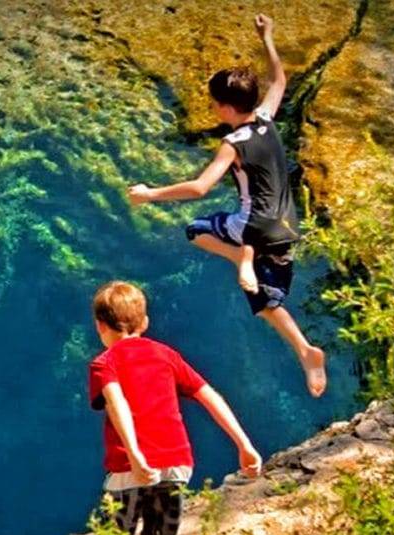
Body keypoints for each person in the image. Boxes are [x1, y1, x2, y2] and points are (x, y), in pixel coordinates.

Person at [127, 14, 326, 398]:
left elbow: (201, 187)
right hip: (287, 227)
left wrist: (150, 193)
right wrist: (267, 37)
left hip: (252, 227)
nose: (215, 109)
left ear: (226, 107)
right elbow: (280, 80)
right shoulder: (266, 119)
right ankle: (305, 350)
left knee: (196, 231)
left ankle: (241, 259)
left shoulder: (232, 144)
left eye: (216, 105)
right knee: (267, 300)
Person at [77, 281, 262, 535]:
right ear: (145, 322)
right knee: (162, 528)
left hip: (129, 466)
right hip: (177, 461)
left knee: (116, 523)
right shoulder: (166, 355)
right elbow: (209, 396)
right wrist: (244, 445)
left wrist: (135, 454)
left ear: (100, 326)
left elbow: (116, 402)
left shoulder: (103, 363)